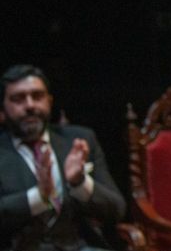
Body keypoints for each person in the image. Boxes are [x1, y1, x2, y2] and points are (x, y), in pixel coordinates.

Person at [0, 65, 126, 251]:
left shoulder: (79, 140)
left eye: (37, 96)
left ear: (49, 101)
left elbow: (117, 210)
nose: (30, 105)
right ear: (2, 109)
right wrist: (38, 197)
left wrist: (79, 182)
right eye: (18, 99)